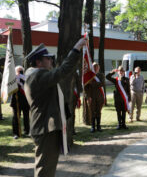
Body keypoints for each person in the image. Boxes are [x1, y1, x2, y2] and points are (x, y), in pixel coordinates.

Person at [24, 38, 87, 177]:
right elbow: (62, 71)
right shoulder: (38, 76)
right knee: (45, 169)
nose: (51, 61)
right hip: (46, 129)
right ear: (38, 62)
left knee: (47, 167)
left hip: (46, 128)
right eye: (48, 58)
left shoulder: (36, 76)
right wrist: (76, 48)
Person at [84, 62, 105, 132]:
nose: (96, 68)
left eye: (97, 67)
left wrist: (92, 83)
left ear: (99, 68)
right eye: (94, 67)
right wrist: (88, 97)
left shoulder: (101, 75)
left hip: (99, 97)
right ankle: (93, 127)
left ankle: (98, 126)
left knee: (98, 111)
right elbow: (86, 87)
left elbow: (102, 84)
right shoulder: (88, 76)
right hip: (91, 97)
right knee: (92, 111)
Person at [10, 65, 30, 139]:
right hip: (15, 100)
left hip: (25, 100)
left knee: (26, 116)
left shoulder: (25, 78)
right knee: (16, 117)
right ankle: (16, 133)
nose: (19, 73)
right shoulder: (12, 79)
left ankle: (27, 131)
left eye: (21, 71)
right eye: (18, 71)